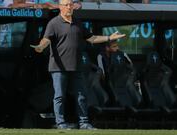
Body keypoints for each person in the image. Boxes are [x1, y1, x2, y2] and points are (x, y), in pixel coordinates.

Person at [32, 0, 125, 129]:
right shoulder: (53, 23)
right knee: (59, 96)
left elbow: (92, 38)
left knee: (81, 95)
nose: (69, 7)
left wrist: (109, 38)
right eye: (66, 5)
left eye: (71, 5)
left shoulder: (78, 23)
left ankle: (84, 123)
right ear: (60, 7)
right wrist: (41, 47)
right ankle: (60, 123)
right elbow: (46, 39)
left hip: (76, 66)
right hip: (58, 68)